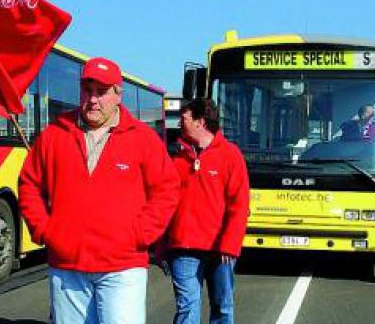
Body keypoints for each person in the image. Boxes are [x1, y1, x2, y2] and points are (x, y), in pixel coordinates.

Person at [18, 57, 180, 324]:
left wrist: (140, 234)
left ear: (118, 94)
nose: (93, 99)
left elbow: (167, 190)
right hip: (67, 265)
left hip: (122, 266)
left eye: (101, 92)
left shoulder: (142, 139)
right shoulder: (54, 136)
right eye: (87, 90)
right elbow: (29, 185)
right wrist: (45, 230)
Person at [164, 98, 250, 324]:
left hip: (220, 248)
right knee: (187, 307)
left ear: (200, 122)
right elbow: (164, 202)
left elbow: (240, 205)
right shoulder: (176, 157)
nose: (179, 123)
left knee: (222, 307)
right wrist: (160, 245)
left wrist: (230, 245)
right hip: (183, 247)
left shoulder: (231, 155)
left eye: (184, 118)